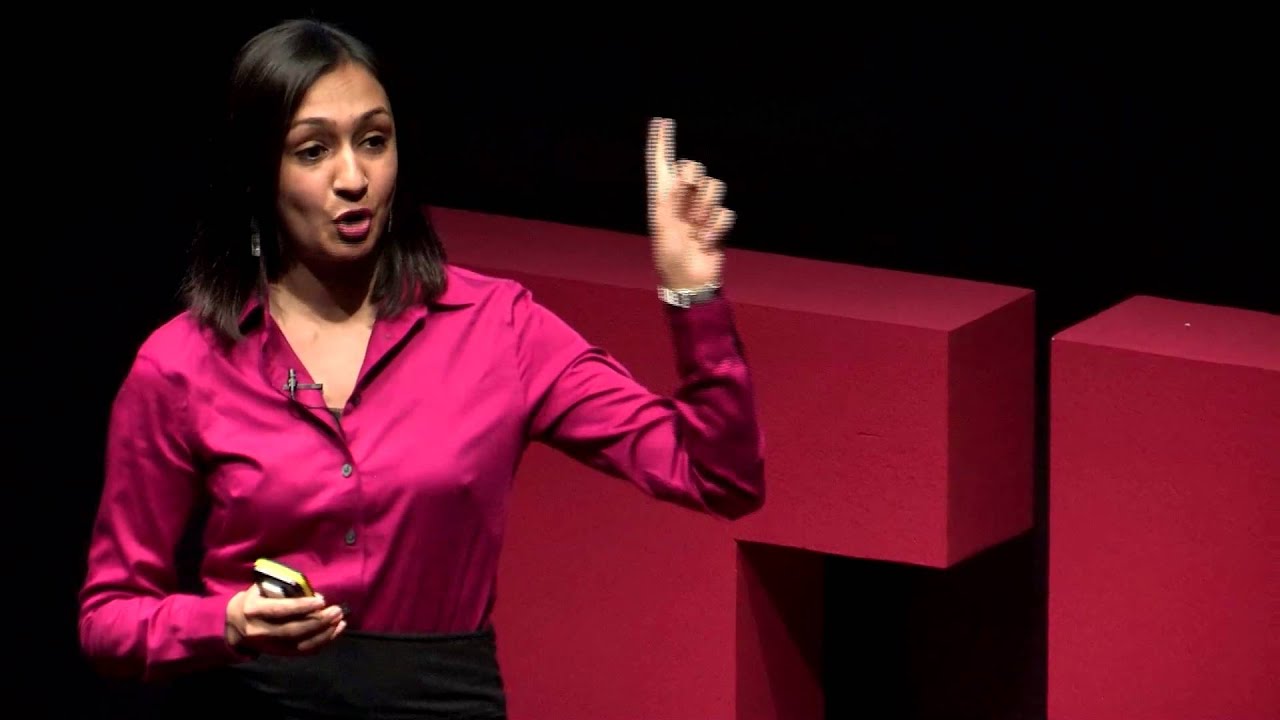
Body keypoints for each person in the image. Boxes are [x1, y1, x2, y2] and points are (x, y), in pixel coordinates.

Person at [77, 17, 764, 719]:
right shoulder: (180, 365)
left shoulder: (499, 328)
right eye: (313, 151)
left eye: (374, 141)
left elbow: (717, 475)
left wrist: (692, 293)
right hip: (253, 694)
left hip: (443, 699)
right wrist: (222, 624)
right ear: (260, 172)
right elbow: (110, 619)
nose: (354, 178)